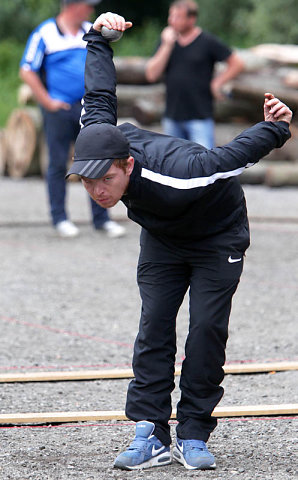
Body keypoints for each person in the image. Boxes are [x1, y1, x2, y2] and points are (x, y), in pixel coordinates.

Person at [66, 13, 292, 471]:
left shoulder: (182, 174)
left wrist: (274, 128)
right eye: (87, 184)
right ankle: (150, 431)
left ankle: (193, 431)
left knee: (206, 328)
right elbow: (99, 93)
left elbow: (229, 159)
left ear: (127, 166)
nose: (97, 192)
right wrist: (98, 38)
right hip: (164, 237)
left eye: (104, 180)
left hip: (216, 235)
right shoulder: (97, 140)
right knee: (154, 325)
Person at [19, 0, 125, 238]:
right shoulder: (45, 32)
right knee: (57, 163)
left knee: (98, 160)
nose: (91, 10)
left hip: (89, 108)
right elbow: (26, 69)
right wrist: (47, 101)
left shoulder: (90, 28)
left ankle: (102, 219)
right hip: (59, 109)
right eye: (87, 5)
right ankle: (60, 218)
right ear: (72, 5)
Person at [145, 0, 244, 149]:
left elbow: (237, 63)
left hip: (200, 116)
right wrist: (167, 45)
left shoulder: (207, 41)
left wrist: (217, 83)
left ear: (191, 19)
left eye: (178, 16)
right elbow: (151, 75)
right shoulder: (166, 42)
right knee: (173, 165)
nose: (172, 20)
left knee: (203, 163)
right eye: (171, 16)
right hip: (172, 116)